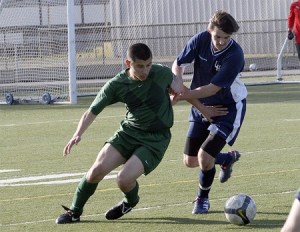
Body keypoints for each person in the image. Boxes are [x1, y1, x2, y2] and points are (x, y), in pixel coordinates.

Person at [55, 42, 226, 224]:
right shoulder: (116, 84)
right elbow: (92, 111)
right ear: (128, 63)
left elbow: (182, 91)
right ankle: (74, 212)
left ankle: (130, 201)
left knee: (123, 179)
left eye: (148, 65)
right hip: (128, 133)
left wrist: (202, 109)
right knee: (95, 172)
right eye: (139, 66)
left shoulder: (161, 73)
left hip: (155, 139)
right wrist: (77, 133)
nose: (145, 70)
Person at [172, 10, 247, 214]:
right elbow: (178, 65)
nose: (221, 41)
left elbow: (213, 88)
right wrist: (178, 85)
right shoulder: (200, 39)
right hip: (200, 104)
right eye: (217, 36)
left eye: (226, 37)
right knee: (190, 161)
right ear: (209, 30)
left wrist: (182, 94)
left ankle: (202, 199)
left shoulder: (235, 55)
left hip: (227, 109)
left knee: (204, 157)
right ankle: (225, 159)